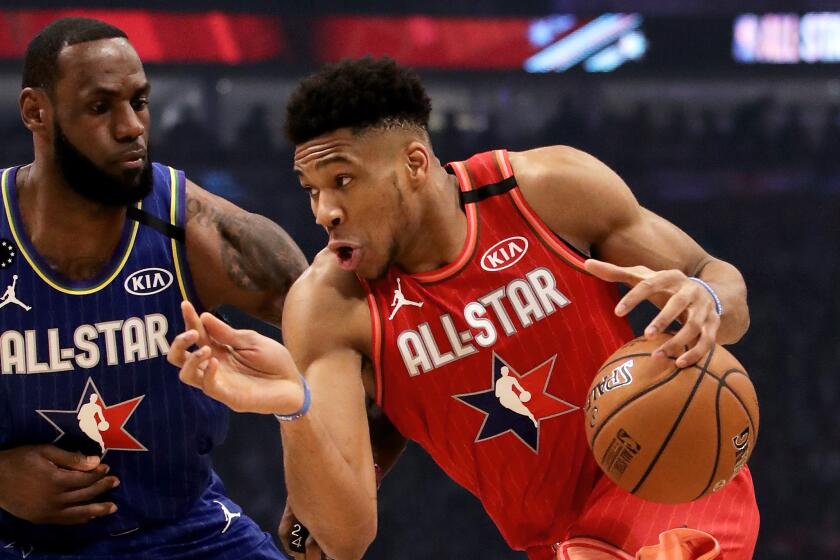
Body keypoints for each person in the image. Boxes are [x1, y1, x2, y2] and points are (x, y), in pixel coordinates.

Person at [170, 57, 759, 560]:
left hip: (678, 478)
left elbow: (721, 282)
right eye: (312, 189)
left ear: (415, 164)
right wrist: (293, 409)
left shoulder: (544, 191)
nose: (324, 210)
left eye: (343, 180)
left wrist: (705, 299)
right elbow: (343, 540)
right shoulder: (330, 306)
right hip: (555, 541)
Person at [0, 17, 306, 558]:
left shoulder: (191, 227)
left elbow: (345, 331)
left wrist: (324, 481)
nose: (132, 127)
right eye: (101, 107)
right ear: (35, 112)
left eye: (139, 102)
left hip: (190, 531)